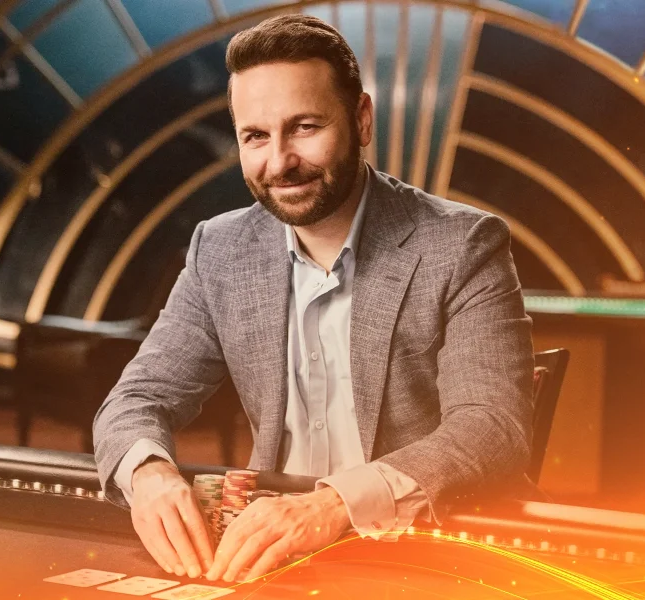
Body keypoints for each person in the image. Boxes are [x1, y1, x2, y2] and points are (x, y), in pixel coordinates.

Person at [93, 13, 534, 584]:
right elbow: (137, 398)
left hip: (435, 560)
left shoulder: (463, 244)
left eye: (304, 127)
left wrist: (333, 506)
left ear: (361, 120)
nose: (279, 162)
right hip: (275, 560)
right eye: (256, 136)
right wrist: (149, 473)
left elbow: (493, 428)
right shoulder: (220, 250)